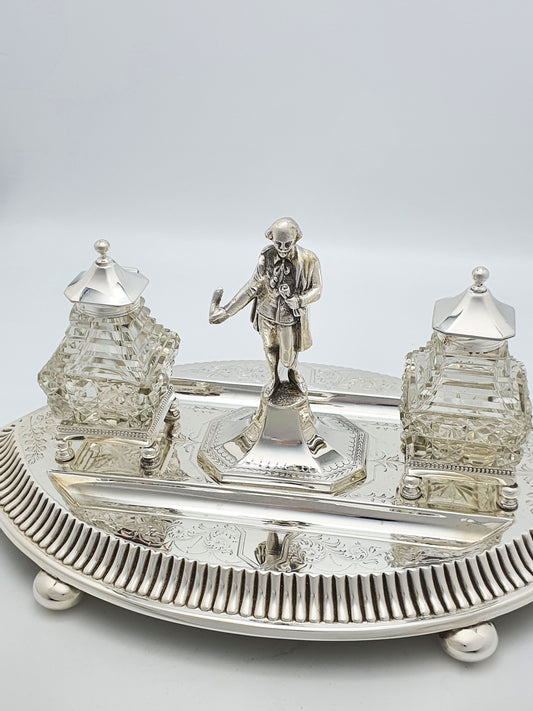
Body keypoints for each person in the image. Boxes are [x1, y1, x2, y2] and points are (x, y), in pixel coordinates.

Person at [209, 217, 322, 395]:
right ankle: (274, 379)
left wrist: (299, 300)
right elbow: (252, 287)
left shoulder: (309, 259)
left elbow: (317, 289)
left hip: (289, 317)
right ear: (271, 238)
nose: (282, 248)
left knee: (287, 355)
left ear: (296, 239)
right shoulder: (266, 256)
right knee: (269, 348)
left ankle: (292, 374)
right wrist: (226, 312)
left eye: (288, 244)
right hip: (266, 312)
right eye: (278, 243)